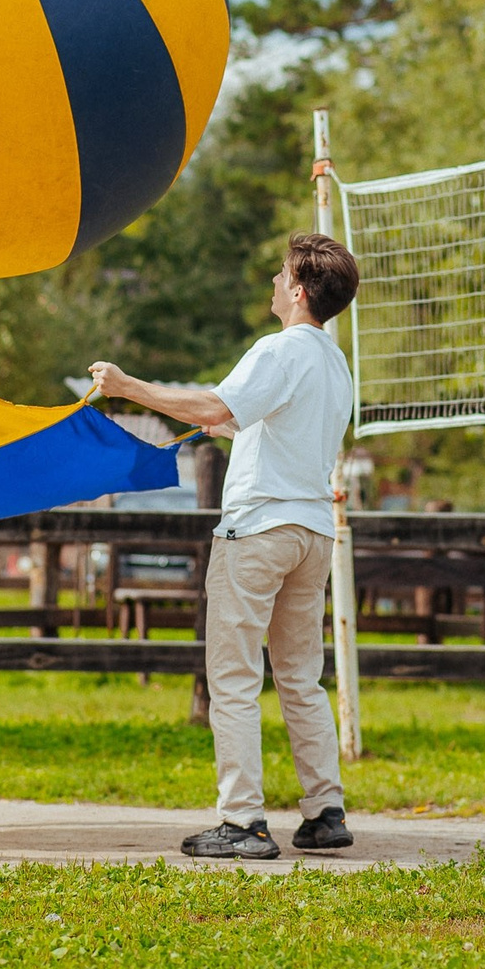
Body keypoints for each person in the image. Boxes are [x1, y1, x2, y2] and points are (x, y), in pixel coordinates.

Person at [86, 232, 361, 862]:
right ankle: (323, 813)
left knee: (233, 676)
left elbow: (216, 402)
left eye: (279, 273)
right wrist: (207, 418)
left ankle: (242, 821)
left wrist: (131, 388)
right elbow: (244, 420)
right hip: (312, 531)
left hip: (259, 528)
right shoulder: (334, 362)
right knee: (300, 678)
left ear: (297, 290)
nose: (271, 281)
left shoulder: (279, 349)